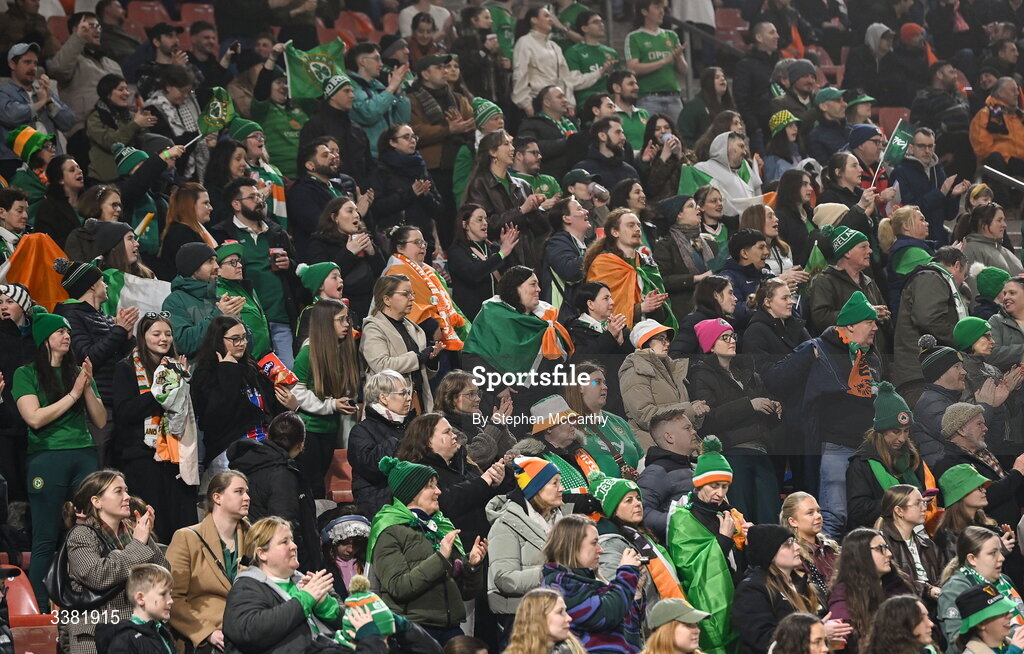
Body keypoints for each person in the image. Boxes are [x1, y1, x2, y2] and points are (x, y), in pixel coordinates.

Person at [764, 292, 883, 537]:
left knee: (863, 518)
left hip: (864, 449)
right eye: (869, 322)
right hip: (832, 447)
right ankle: (823, 569)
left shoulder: (870, 356)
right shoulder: (815, 349)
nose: (875, 327)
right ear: (850, 325)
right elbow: (775, 380)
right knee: (833, 517)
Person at [13, 309, 104, 604]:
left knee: (90, 535)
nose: (67, 336)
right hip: (47, 457)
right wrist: (74, 394)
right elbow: (35, 418)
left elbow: (101, 421)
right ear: (44, 339)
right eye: (60, 332)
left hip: (84, 454)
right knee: (45, 539)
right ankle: (41, 608)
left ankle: (90, 601)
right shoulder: (25, 374)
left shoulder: (78, 374)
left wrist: (86, 386)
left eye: (68, 332)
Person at [369, 456, 487, 644]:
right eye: (430, 486)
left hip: (450, 628)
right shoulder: (389, 530)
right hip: (413, 630)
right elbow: (398, 587)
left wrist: (472, 566)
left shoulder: (441, 527)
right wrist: (440, 557)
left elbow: (466, 593)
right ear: (412, 492)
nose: (438, 491)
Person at [111, 311, 197, 542]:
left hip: (175, 457)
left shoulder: (177, 367)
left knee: (182, 528)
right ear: (143, 336)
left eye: (168, 334)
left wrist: (180, 379)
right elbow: (124, 413)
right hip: (142, 459)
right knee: (155, 528)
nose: (164, 339)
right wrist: (158, 393)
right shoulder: (127, 368)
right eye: (156, 333)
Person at [64, 470, 167, 654]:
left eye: (126, 490)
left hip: (136, 632)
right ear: (96, 501)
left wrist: (146, 537)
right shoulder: (81, 535)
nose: (127, 497)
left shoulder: (131, 531)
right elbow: (97, 575)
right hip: (96, 635)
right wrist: (138, 543)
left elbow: (163, 573)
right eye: (118, 491)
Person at [665, 437, 750, 654]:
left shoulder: (729, 512)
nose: (720, 493)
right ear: (700, 484)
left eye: (725, 486)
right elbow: (690, 568)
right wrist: (723, 539)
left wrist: (750, 539)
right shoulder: (683, 518)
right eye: (714, 486)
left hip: (738, 603)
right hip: (707, 609)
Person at [52, 257, 134, 467]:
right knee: (96, 469)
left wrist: (127, 338)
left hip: (116, 402)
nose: (106, 285)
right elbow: (85, 358)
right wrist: (118, 331)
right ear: (91, 286)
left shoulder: (103, 317)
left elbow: (118, 357)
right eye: (102, 281)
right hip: (94, 407)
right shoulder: (68, 315)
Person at [210, 177, 300, 367]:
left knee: (288, 376)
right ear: (236, 204)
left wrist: (289, 264)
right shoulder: (221, 234)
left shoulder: (276, 232)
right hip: (244, 322)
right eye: (252, 197)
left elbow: (297, 269)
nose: (259, 200)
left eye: (259, 195)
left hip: (280, 317)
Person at [189, 316, 298, 472]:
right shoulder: (205, 374)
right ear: (219, 340)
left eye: (243, 337)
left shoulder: (253, 368)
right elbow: (216, 418)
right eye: (235, 339)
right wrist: (228, 371)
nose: (242, 343)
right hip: (229, 454)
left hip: (265, 449)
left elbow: (269, 410)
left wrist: (291, 407)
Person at [462, 267, 574, 418]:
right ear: (516, 288)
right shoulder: (491, 315)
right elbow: (471, 358)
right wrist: (498, 386)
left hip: (547, 402)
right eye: (533, 284)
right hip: (509, 406)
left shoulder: (546, 319)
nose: (539, 289)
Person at [221, 516, 343, 653]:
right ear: (262, 554)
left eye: (292, 540)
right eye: (285, 542)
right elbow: (250, 631)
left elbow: (347, 620)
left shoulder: (307, 580)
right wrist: (305, 599)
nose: (294, 546)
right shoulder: (246, 587)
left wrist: (324, 604)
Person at [165, 470, 250, 654]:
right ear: (217, 497)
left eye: (247, 492)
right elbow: (172, 597)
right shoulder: (187, 538)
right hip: (205, 636)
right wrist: (206, 633)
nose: (247, 497)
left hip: (249, 629)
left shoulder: (255, 539)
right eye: (239, 491)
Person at [227, 412, 321, 572]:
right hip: (276, 565)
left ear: (268, 436)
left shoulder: (246, 464)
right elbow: (284, 526)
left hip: (253, 556)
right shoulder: (283, 475)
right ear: (301, 445)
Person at [486, 457, 571, 631]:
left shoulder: (564, 521)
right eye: (554, 483)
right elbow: (504, 578)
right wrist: (549, 573)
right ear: (536, 488)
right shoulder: (505, 525)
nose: (561, 488)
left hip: (559, 611)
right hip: (522, 619)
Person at [541, 514, 644, 653]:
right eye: (594, 542)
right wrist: (627, 573)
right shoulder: (559, 583)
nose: (600, 549)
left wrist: (635, 592)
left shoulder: (589, 579)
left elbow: (629, 626)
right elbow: (606, 615)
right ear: (573, 545)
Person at [732, 525, 839, 654]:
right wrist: (816, 633)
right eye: (788, 544)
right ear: (769, 552)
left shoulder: (801, 582)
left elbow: (817, 617)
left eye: (794, 541)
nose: (797, 547)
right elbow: (762, 639)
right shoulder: (752, 589)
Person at [291, 298, 359, 498]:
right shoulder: (307, 352)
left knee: (321, 480)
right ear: (324, 324)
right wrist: (331, 405)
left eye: (347, 319)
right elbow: (298, 391)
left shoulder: (342, 350)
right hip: (310, 430)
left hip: (331, 429)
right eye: (341, 320)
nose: (347, 324)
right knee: (313, 486)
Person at [846, 383, 936, 531]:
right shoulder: (862, 463)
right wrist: (901, 501)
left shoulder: (912, 456)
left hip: (915, 531)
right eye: (896, 431)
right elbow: (858, 510)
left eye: (906, 431)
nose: (902, 438)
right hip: (878, 536)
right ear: (881, 431)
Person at [589, 471, 686, 605]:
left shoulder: (641, 536)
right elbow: (615, 594)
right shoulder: (610, 544)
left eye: (638, 498)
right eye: (629, 500)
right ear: (613, 509)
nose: (637, 503)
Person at [933, 399, 1024, 530]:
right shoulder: (949, 465)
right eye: (979, 424)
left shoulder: (985, 455)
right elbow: (984, 498)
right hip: (984, 538)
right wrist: (1016, 473)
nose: (985, 428)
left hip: (1008, 533)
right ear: (961, 430)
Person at [620, 319, 709, 450]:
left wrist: (696, 412)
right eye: (661, 338)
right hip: (653, 447)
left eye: (667, 339)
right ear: (645, 341)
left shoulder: (673, 370)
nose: (667, 343)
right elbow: (645, 416)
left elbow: (682, 411)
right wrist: (689, 409)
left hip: (678, 446)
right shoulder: (635, 370)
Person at [362, 273, 441, 414]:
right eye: (405, 294)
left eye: (412, 293)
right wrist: (418, 358)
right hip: (388, 409)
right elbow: (381, 366)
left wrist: (430, 361)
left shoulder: (411, 327)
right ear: (387, 299)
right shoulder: (373, 328)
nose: (412, 298)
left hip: (417, 403)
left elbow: (417, 372)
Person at [827, 528, 915, 654]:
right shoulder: (843, 595)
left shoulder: (899, 584)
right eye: (880, 548)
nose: (889, 553)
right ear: (860, 555)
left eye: (886, 547)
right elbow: (842, 642)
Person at [937, 526, 1024, 653]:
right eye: (993, 553)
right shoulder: (954, 589)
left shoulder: (1004, 579)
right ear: (972, 559)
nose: (1001, 558)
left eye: (1000, 551)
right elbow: (958, 643)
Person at [807, 224, 890, 351]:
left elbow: (884, 314)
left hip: (876, 358)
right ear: (847, 252)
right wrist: (864, 314)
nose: (870, 251)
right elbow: (821, 318)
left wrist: (884, 316)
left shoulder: (868, 281)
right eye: (863, 247)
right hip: (844, 359)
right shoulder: (824, 282)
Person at [0, 43, 75, 180]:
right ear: (12, 64)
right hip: (18, 161)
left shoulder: (43, 91)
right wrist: (40, 103)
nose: (32, 68)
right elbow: (10, 116)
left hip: (52, 160)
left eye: (35, 63)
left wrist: (49, 101)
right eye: (27, 62)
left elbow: (68, 122)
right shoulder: (4, 91)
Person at [585, 209, 670, 329]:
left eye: (638, 225)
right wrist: (641, 308)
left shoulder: (647, 264)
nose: (637, 229)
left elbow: (664, 310)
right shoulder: (603, 265)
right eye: (631, 225)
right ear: (615, 232)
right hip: (618, 339)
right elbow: (600, 310)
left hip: (651, 332)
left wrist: (656, 306)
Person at [306, 195, 385, 324]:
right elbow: (321, 279)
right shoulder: (319, 243)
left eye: (356, 211)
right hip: (337, 313)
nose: (356, 215)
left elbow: (382, 274)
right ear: (334, 217)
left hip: (370, 308)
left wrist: (372, 253)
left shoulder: (362, 239)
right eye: (349, 211)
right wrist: (349, 253)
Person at [349, 370, 417, 515]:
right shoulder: (361, 431)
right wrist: (399, 440)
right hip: (380, 506)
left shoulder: (413, 425)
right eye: (403, 393)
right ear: (383, 398)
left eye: (409, 392)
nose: (409, 398)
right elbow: (371, 467)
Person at [162, 243, 242, 358]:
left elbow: (248, 346)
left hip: (229, 371)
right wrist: (219, 316)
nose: (216, 266)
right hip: (197, 374)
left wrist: (237, 320)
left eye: (216, 261)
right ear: (192, 268)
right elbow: (183, 344)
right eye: (210, 261)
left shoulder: (220, 299)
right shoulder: (175, 301)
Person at [874, 484, 944, 607]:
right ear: (899, 511)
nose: (924, 508)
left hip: (933, 609)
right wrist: (926, 590)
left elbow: (943, 577)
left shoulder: (928, 544)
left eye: (924, 503)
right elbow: (889, 583)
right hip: (900, 610)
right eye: (918, 503)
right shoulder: (882, 544)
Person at [652, 194, 716, 327]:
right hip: (683, 315)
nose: (699, 209)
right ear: (678, 214)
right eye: (691, 206)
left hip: (712, 310)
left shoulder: (710, 243)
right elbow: (662, 280)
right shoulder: (666, 245)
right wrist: (696, 278)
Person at [934, 463, 1015, 564]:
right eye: (979, 488)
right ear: (960, 494)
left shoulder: (985, 524)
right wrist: (997, 550)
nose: (984, 491)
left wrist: (1009, 540)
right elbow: (959, 571)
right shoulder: (947, 534)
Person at [638, 408, 700, 540]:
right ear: (669, 437)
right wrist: (680, 522)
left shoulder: (694, 466)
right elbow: (641, 512)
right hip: (683, 553)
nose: (694, 432)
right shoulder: (657, 471)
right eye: (687, 428)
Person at [434, 370, 516, 469]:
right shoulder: (443, 427)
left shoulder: (478, 419)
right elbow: (474, 459)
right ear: (452, 398)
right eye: (471, 394)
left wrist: (501, 426)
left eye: (478, 393)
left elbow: (510, 454)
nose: (478, 399)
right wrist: (495, 426)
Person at [84, 74, 155, 184]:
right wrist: (135, 124)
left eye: (127, 89)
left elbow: (143, 144)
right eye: (121, 89)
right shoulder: (94, 119)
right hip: (104, 181)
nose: (127, 93)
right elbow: (112, 143)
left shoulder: (132, 116)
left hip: (133, 176)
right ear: (108, 93)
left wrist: (143, 127)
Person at [143, 65, 208, 183]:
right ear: (168, 87)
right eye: (182, 91)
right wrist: (198, 134)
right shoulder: (153, 109)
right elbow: (168, 143)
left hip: (192, 172)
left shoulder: (185, 105)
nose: (186, 96)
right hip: (168, 174)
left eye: (188, 92)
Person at [95, 563, 177, 654]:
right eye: (163, 594)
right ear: (140, 598)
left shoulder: (162, 633)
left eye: (170, 594)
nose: (171, 601)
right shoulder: (125, 640)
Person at [780, 492, 840, 603]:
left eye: (818, 511)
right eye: (810, 513)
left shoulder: (832, 548)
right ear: (793, 521)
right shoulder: (793, 556)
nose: (818, 516)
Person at [732, 21, 780, 151]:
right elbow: (741, 100)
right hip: (761, 133)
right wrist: (755, 128)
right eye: (772, 32)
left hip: (779, 128)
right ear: (759, 38)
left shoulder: (777, 64)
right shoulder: (745, 65)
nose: (777, 36)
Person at [691, 132, 763, 218]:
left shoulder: (740, 178)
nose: (745, 152)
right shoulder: (702, 169)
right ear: (726, 147)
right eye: (741, 146)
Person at [742, 277, 811, 364]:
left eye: (790, 297)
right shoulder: (755, 333)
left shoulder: (797, 326)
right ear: (767, 302)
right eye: (784, 298)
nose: (791, 302)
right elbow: (763, 373)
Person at [961, 205, 1024, 296]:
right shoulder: (971, 249)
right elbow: (973, 292)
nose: (1004, 225)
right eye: (999, 220)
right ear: (983, 224)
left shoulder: (1005, 251)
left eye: (1004, 220)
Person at [668, 275, 737, 357]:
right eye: (730, 293)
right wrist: (703, 367)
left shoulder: (726, 323)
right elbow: (676, 356)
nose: (735, 298)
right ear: (716, 295)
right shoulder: (694, 321)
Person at [502, 587, 587, 654]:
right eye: (560, 612)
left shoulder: (571, 650)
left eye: (565, 611)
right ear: (538, 617)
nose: (569, 618)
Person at [563, 281, 634, 361]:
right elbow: (581, 361)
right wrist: (609, 335)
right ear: (590, 304)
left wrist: (621, 343)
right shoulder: (573, 331)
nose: (612, 302)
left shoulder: (620, 329)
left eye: (610, 297)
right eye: (606, 298)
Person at [951, 582, 1024, 654]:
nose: (1010, 615)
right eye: (1001, 613)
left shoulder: (1006, 644)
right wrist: (1014, 651)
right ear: (981, 624)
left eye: (1007, 611)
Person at [35, 155, 85, 250]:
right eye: (72, 170)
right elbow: (46, 245)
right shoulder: (48, 209)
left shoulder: (91, 200)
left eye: (78, 167)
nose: (79, 171)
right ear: (60, 179)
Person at [677, 67, 734, 146]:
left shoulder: (728, 107)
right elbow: (684, 136)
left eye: (723, 77)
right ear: (708, 82)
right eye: (717, 77)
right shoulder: (694, 107)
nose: (722, 79)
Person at [862, 595, 936, 654]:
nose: (931, 624)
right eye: (921, 619)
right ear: (902, 625)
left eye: (928, 617)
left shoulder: (928, 651)